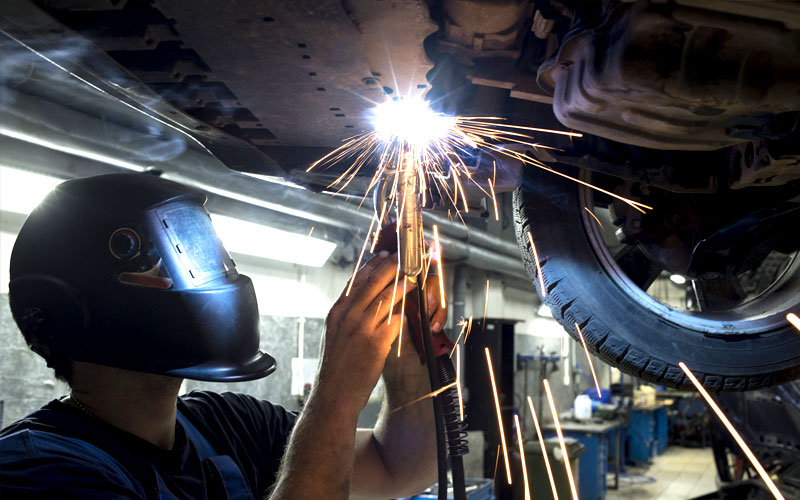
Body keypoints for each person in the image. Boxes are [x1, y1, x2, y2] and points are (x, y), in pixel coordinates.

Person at [0, 174, 445, 499]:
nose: (206, 274)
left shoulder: (228, 425)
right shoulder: (37, 470)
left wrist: (402, 350)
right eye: (161, 263)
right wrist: (339, 392)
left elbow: (401, 467)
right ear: (80, 302)